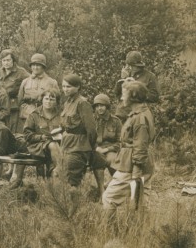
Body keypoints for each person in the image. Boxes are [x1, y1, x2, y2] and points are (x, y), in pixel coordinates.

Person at [102, 81, 156, 217]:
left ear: (134, 96)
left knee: (109, 197)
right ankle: (142, 228)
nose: (121, 98)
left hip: (132, 164)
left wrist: (136, 172)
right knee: (141, 200)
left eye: (124, 94)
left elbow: (140, 146)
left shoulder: (139, 117)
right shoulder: (140, 113)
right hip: (137, 161)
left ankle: (108, 228)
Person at [10, 90, 63, 190]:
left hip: (58, 146)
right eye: (46, 99)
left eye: (52, 99)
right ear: (42, 100)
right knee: (52, 145)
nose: (48, 102)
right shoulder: (34, 115)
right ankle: (60, 169)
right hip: (37, 146)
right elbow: (27, 135)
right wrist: (41, 137)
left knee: (55, 146)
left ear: (56, 101)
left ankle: (55, 184)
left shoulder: (61, 114)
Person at [59, 74, 97, 191]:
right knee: (64, 175)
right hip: (67, 144)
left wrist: (89, 147)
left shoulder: (82, 103)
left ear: (78, 87)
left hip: (78, 146)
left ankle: (75, 201)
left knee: (73, 178)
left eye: (69, 86)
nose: (65, 89)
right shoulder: (67, 103)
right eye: (63, 86)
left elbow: (91, 129)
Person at [113, 50, 160, 119]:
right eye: (127, 65)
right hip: (122, 113)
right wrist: (123, 79)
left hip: (137, 113)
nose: (128, 67)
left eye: (131, 65)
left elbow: (155, 97)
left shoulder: (149, 76)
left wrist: (137, 91)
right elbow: (117, 93)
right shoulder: (125, 74)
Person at [16, 53, 60, 125]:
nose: (35, 67)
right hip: (27, 116)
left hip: (45, 117)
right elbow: (20, 101)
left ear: (43, 67)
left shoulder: (52, 82)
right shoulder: (25, 82)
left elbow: (57, 102)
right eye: (33, 65)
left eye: (38, 65)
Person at [90, 93, 122, 188]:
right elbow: (88, 138)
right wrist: (96, 148)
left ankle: (115, 186)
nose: (99, 108)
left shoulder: (116, 121)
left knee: (112, 160)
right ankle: (101, 190)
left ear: (107, 106)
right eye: (97, 106)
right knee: (97, 160)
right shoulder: (92, 120)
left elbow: (120, 142)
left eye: (102, 106)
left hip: (111, 149)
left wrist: (107, 149)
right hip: (96, 150)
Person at [0, 49, 30, 134]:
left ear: (13, 60)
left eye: (8, 60)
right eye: (4, 60)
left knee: (13, 130)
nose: (6, 63)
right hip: (1, 105)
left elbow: (30, 81)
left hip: (14, 106)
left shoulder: (21, 72)